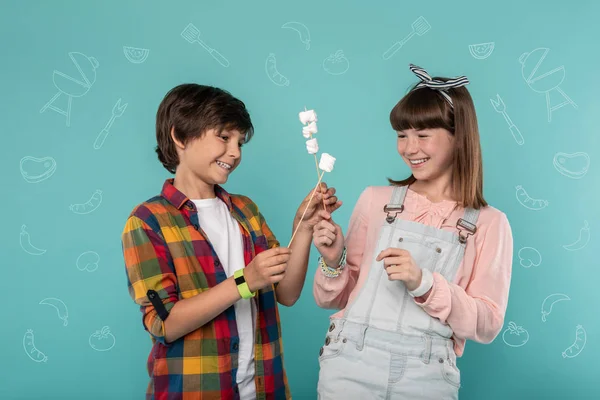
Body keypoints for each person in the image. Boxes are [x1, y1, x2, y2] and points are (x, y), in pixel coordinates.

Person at [121, 84, 341, 400]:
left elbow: (287, 293)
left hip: (264, 390)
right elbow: (164, 323)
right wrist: (244, 282)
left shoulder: (246, 211)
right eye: (224, 137)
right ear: (180, 137)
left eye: (240, 142)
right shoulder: (148, 221)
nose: (235, 152)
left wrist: (303, 227)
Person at [311, 64, 513, 399]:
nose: (409, 148)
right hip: (349, 365)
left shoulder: (490, 223)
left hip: (428, 375)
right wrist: (333, 261)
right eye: (402, 135)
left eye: (422, 135)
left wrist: (425, 284)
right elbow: (335, 298)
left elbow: (488, 323)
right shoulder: (375, 201)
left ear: (458, 136)